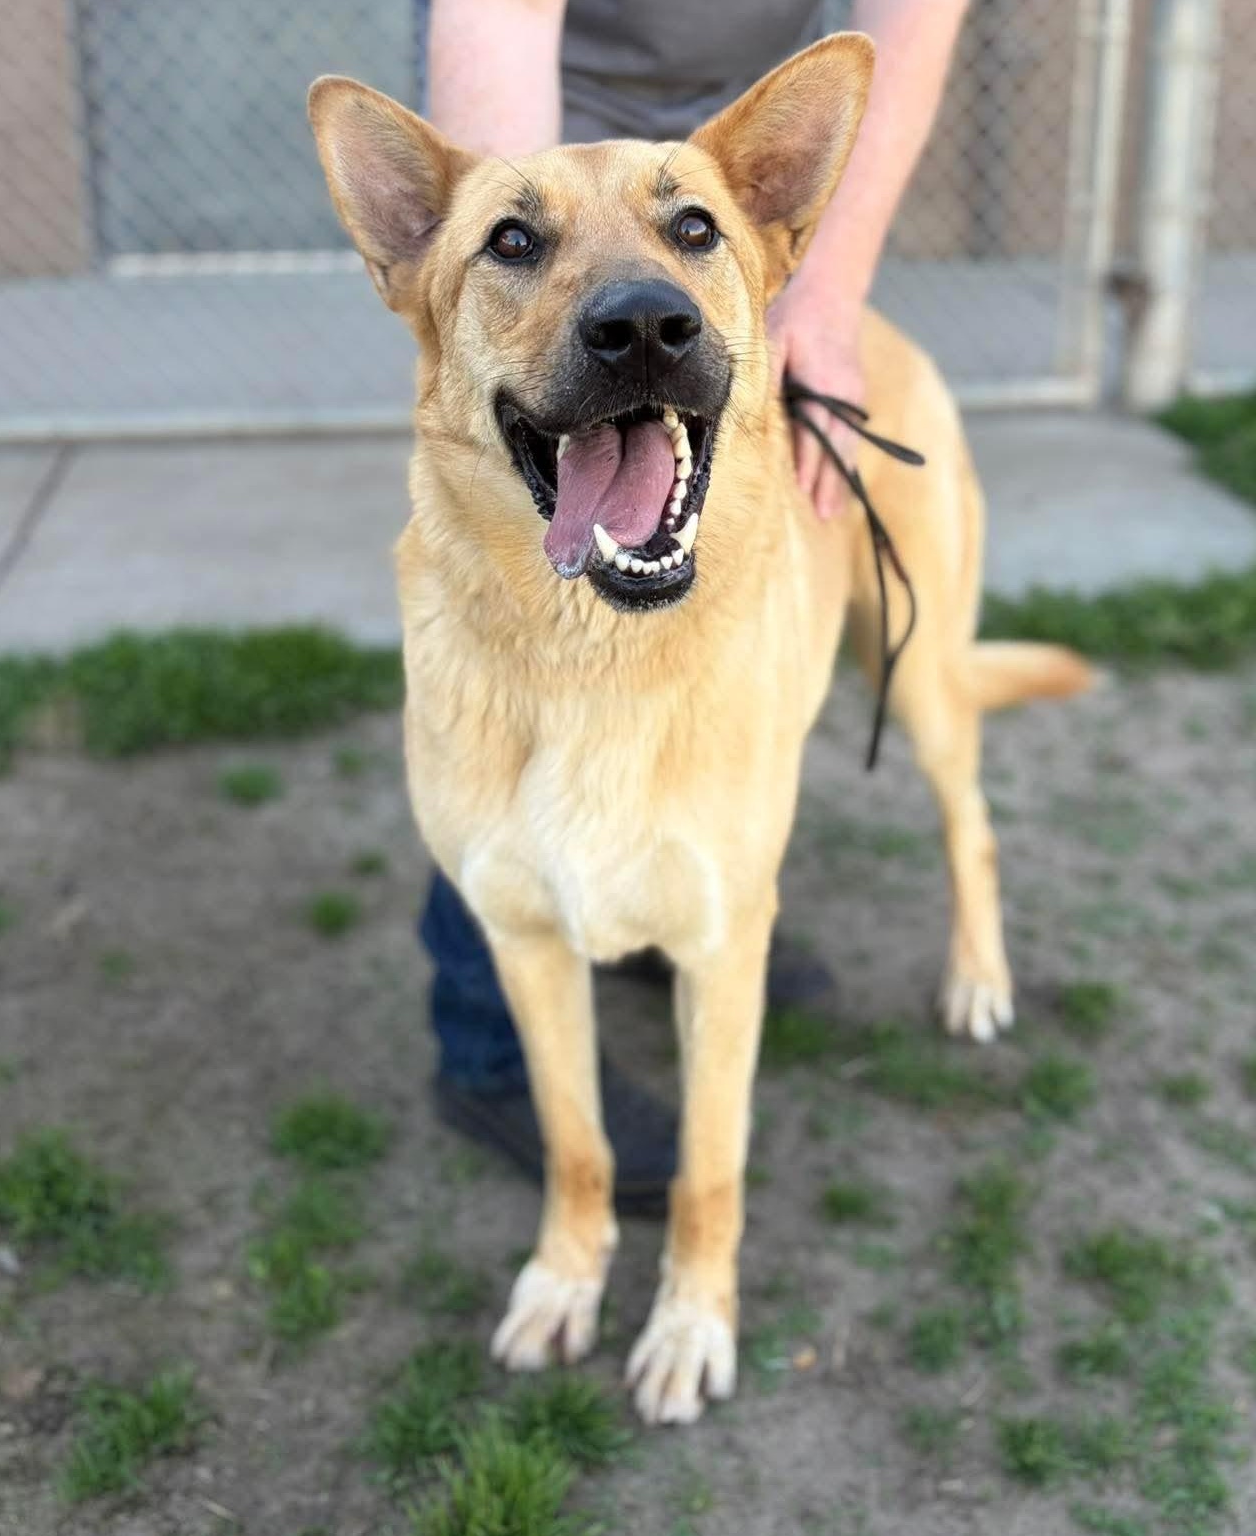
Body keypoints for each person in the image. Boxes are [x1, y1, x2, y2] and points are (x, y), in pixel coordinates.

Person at [416, 0, 971, 1213]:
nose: (637, 309)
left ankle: (906, 889)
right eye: (507, 245)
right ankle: (493, 1047)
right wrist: (510, 227)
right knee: (502, 867)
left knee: (880, 761)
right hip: (534, 117)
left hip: (733, 173)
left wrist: (818, 289)